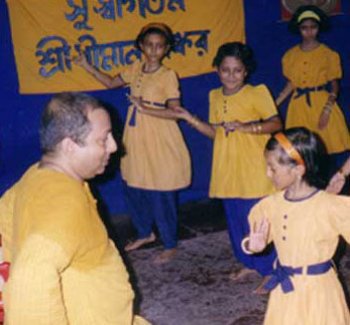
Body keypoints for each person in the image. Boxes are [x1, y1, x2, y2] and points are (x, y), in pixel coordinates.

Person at [0, 93, 150, 324]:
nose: (113, 146)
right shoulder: (65, 205)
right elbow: (30, 275)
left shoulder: (36, 175)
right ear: (69, 146)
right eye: (103, 139)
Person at [74, 23, 191, 264]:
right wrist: (86, 65)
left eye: (159, 46)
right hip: (136, 136)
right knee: (134, 186)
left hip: (160, 137)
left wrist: (145, 107)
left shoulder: (167, 76)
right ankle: (145, 233)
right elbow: (109, 82)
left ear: (166, 49)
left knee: (161, 190)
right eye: (149, 45)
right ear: (141, 46)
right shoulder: (136, 68)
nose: (154, 50)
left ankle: (170, 243)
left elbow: (176, 112)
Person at [174, 42, 282, 293]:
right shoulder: (214, 96)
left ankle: (271, 270)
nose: (231, 75)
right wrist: (189, 118)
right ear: (217, 70)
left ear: (246, 72)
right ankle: (250, 262)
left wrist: (247, 127)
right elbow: (216, 134)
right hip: (227, 168)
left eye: (237, 70)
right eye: (226, 70)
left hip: (254, 167)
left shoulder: (257, 92)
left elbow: (276, 123)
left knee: (258, 221)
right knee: (236, 221)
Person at [244, 127, 350, 324]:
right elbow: (253, 240)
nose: (267, 173)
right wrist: (252, 245)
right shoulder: (269, 206)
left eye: (273, 168)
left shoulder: (330, 206)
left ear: (298, 170)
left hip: (320, 292)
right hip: (286, 293)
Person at [275, 5, 350, 167]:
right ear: (299, 29)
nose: (309, 32)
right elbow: (291, 84)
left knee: (326, 150)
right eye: (304, 28)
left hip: (321, 104)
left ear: (318, 28)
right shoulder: (290, 56)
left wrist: (327, 110)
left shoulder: (328, 54)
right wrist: (273, 106)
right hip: (298, 107)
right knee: (302, 153)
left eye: (313, 27)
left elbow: (335, 86)